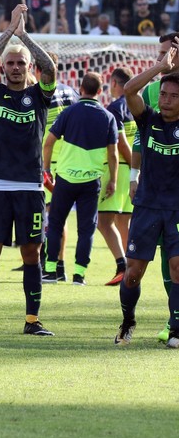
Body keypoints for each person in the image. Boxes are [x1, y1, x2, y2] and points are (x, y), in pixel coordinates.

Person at [0, 4, 57, 336]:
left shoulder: (40, 96)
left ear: (27, 66)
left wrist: (24, 36)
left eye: (21, 63)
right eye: (11, 63)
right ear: (4, 68)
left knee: (32, 251)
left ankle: (32, 321)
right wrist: (8, 31)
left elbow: (49, 67)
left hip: (31, 186)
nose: (16, 67)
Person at [115, 40, 179, 348]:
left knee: (177, 267)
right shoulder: (149, 120)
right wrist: (160, 69)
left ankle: (177, 329)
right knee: (133, 274)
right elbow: (129, 90)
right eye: (163, 94)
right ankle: (127, 321)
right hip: (147, 207)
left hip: (177, 209)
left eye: (173, 96)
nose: (166, 100)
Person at [42, 72, 118, 285]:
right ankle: (79, 274)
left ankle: (49, 271)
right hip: (91, 180)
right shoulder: (107, 117)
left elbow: (48, 142)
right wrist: (112, 180)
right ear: (100, 91)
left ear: (80, 89)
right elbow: (113, 153)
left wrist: (46, 169)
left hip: (65, 177)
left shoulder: (69, 112)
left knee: (56, 223)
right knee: (86, 229)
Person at [97, 67, 135, 287]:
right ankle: (131, 267)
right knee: (123, 222)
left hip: (118, 170)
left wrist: (133, 168)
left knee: (103, 222)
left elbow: (120, 143)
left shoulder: (115, 107)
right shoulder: (137, 103)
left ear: (114, 83)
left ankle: (122, 266)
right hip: (130, 173)